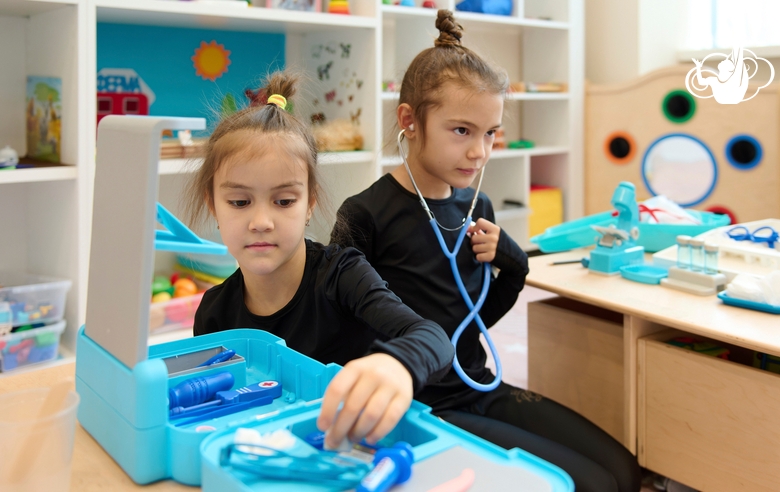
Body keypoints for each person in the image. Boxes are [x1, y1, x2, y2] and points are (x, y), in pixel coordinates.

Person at [332, 9, 641, 492]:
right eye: (462, 131)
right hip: (423, 404)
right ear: (409, 121)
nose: (480, 151)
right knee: (591, 485)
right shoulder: (365, 214)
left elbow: (477, 316)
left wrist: (512, 261)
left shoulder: (479, 206)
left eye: (490, 133)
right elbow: (340, 326)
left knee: (624, 472)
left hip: (479, 384)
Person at [185, 70, 454, 450]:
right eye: (240, 202)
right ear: (214, 205)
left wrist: (397, 364)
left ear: (309, 203)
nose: (261, 222)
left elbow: (433, 338)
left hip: (357, 451)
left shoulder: (341, 273)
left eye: (284, 201)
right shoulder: (214, 313)